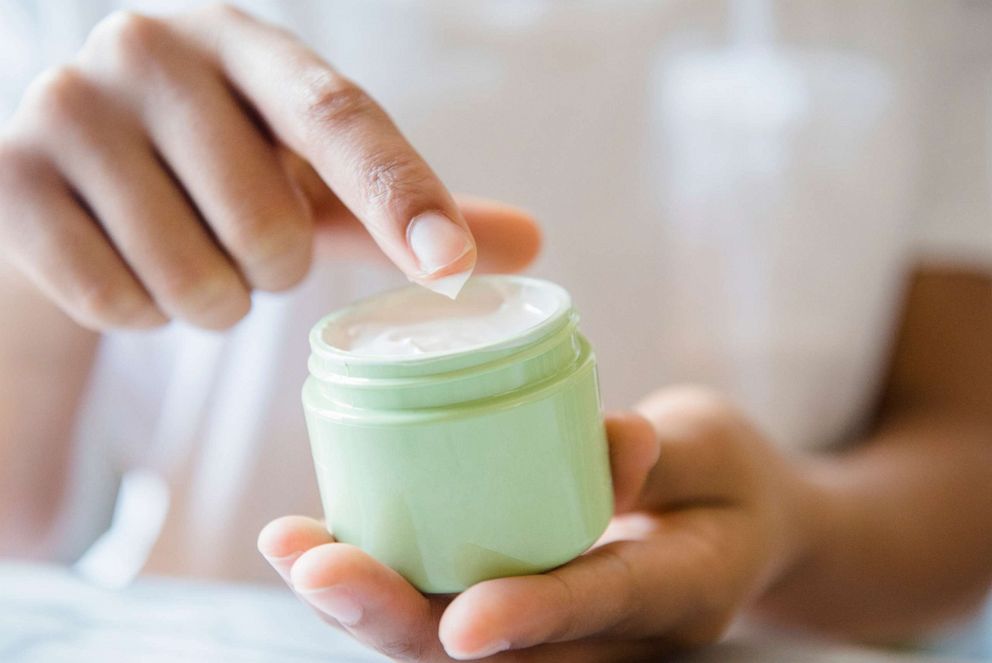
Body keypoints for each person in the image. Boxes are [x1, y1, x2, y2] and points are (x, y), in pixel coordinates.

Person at [0, 2, 990, 661]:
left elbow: (966, 437)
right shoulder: (94, 32)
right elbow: (15, 517)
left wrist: (796, 527)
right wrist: (39, 258)